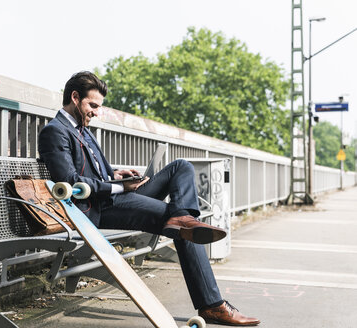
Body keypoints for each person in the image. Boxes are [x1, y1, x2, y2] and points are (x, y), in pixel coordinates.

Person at [38, 71, 260, 326]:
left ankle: (182, 218)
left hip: (112, 196)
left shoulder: (83, 130)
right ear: (75, 97)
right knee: (184, 226)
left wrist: (117, 175)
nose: (96, 112)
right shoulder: (55, 131)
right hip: (95, 210)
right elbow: (70, 181)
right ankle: (212, 305)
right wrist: (120, 188)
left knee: (181, 167)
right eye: (93, 105)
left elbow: (97, 172)